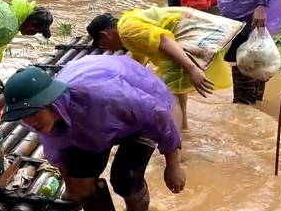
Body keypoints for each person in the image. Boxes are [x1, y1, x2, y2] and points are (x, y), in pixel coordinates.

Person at [0, 54, 186, 211]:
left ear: (50, 102)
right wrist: (72, 189)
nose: (29, 121)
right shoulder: (44, 121)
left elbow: (158, 115)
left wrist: (173, 164)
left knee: (126, 178)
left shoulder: (108, 96)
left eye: (33, 112)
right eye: (23, 115)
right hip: (92, 126)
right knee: (81, 185)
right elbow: (57, 150)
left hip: (138, 122)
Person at [86, 7, 245, 130]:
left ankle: (174, 146)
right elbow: (137, 62)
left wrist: (192, 68)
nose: (107, 49)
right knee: (176, 89)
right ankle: (184, 130)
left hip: (196, 33)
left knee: (167, 96)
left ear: (104, 35)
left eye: (101, 45)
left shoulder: (127, 31)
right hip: (203, 28)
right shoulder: (127, 23)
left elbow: (164, 41)